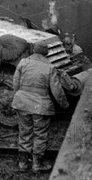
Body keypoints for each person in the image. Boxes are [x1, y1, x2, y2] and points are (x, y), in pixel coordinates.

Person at [12, 43, 69, 173]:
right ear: (46, 53)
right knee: (40, 135)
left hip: (22, 103)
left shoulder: (23, 62)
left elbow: (15, 83)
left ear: (34, 50)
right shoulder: (50, 67)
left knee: (24, 132)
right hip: (40, 106)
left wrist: (20, 97)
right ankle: (37, 165)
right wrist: (64, 104)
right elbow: (57, 91)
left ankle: (23, 164)